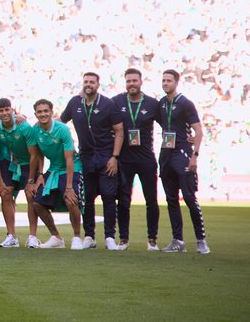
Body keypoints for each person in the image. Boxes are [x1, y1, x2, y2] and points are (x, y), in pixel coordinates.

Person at [60, 71, 125, 249]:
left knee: (108, 196)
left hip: (105, 156)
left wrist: (114, 157)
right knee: (87, 198)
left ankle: (110, 237)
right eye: (86, 82)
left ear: (98, 85)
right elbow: (59, 123)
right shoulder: (75, 102)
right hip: (85, 157)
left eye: (92, 82)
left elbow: (119, 131)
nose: (88, 84)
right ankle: (89, 236)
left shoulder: (107, 104)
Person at [157, 69, 209, 254]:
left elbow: (199, 131)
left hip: (182, 155)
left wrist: (195, 155)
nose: (165, 83)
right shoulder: (162, 103)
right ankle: (178, 240)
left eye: (168, 80)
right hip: (165, 155)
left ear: (176, 82)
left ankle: (201, 240)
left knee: (189, 197)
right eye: (163, 80)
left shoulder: (186, 104)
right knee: (171, 199)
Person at [25, 98, 86, 250]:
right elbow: (36, 156)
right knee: (37, 202)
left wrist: (70, 186)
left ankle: (77, 237)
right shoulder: (34, 130)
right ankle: (56, 237)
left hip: (72, 167)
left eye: (46, 111)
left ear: (52, 113)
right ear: (35, 114)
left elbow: (69, 158)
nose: (43, 114)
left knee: (71, 199)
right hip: (54, 169)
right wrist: (35, 177)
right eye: (39, 112)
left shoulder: (62, 129)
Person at [113, 68, 162, 250]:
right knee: (124, 201)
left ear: (141, 82)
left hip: (146, 159)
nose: (131, 84)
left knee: (151, 200)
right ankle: (123, 239)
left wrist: (185, 136)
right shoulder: (117, 101)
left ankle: (152, 240)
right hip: (124, 160)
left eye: (134, 80)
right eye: (128, 81)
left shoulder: (152, 104)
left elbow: (168, 125)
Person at [0, 98, 34, 249]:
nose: (5, 113)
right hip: (8, 162)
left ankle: (32, 236)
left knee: (30, 195)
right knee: (5, 194)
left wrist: (33, 177)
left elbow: (34, 154)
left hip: (27, 163)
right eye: (1, 110)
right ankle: (11, 235)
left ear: (12, 110)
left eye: (7, 109)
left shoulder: (23, 125)